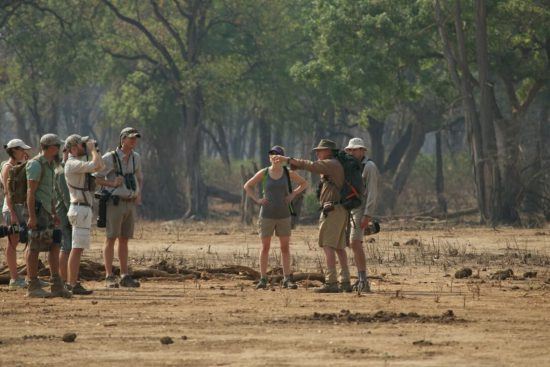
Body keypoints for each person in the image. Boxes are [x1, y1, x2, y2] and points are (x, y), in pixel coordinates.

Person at [275, 139, 350, 293]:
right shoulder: (334, 164)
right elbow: (309, 166)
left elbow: (311, 166)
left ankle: (331, 283)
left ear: (329, 151)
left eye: (320, 150)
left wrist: (287, 160)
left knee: (328, 246)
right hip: (339, 209)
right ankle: (345, 281)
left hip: (333, 210)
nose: (317, 153)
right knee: (339, 248)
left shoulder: (331, 164)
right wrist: (294, 164)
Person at [244, 146, 308, 289]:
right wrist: (257, 200)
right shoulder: (264, 173)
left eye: (278, 154)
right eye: (272, 154)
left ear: (283, 158)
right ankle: (263, 279)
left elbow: (304, 183)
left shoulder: (287, 172)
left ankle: (287, 279)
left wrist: (293, 194)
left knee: (284, 247)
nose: (275, 156)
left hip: (284, 215)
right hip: (266, 215)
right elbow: (247, 186)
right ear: (269, 157)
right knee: (265, 247)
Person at [94, 127, 143, 288]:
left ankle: (124, 275)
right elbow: (97, 179)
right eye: (131, 138)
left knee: (124, 240)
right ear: (123, 140)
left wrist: (138, 194)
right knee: (111, 238)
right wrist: (112, 183)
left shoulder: (136, 157)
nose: (134, 141)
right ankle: (109, 276)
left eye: (136, 138)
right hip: (114, 203)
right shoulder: (109, 158)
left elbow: (138, 177)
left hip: (129, 203)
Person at [26, 134, 72, 298]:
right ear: (50, 147)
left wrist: (54, 212)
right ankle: (33, 285)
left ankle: (56, 284)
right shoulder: (36, 164)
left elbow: (50, 192)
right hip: (38, 212)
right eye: (57, 146)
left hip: (49, 212)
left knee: (55, 245)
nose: (59, 149)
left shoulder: (51, 164)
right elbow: (31, 193)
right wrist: (32, 216)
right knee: (34, 248)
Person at [64, 135, 105, 295]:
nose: (84, 146)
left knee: (78, 248)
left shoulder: (77, 163)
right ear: (73, 148)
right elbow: (96, 165)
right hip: (79, 208)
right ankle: (72, 284)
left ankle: (72, 282)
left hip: (83, 209)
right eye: (81, 144)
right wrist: (93, 149)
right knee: (76, 248)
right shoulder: (72, 163)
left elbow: (100, 166)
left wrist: (95, 150)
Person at [344, 138, 380, 293]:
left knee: (354, 242)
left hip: (361, 208)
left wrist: (368, 215)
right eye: (350, 150)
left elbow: (372, 192)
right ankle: (354, 279)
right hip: (349, 208)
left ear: (362, 151)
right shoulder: (350, 165)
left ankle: (363, 280)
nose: (352, 152)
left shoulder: (369, 166)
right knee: (349, 242)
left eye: (355, 149)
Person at [1, 139, 32, 290]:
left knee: (25, 239)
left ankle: (27, 277)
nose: (24, 153)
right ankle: (14, 278)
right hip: (11, 209)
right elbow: (8, 193)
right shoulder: (7, 167)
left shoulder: (18, 166)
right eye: (22, 150)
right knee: (12, 242)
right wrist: (12, 214)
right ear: (14, 151)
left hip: (21, 208)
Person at [55, 149, 72, 284]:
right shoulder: (61, 171)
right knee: (66, 247)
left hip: (62, 212)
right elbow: (66, 198)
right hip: (64, 213)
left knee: (66, 246)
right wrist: (71, 215)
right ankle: (64, 280)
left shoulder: (61, 168)